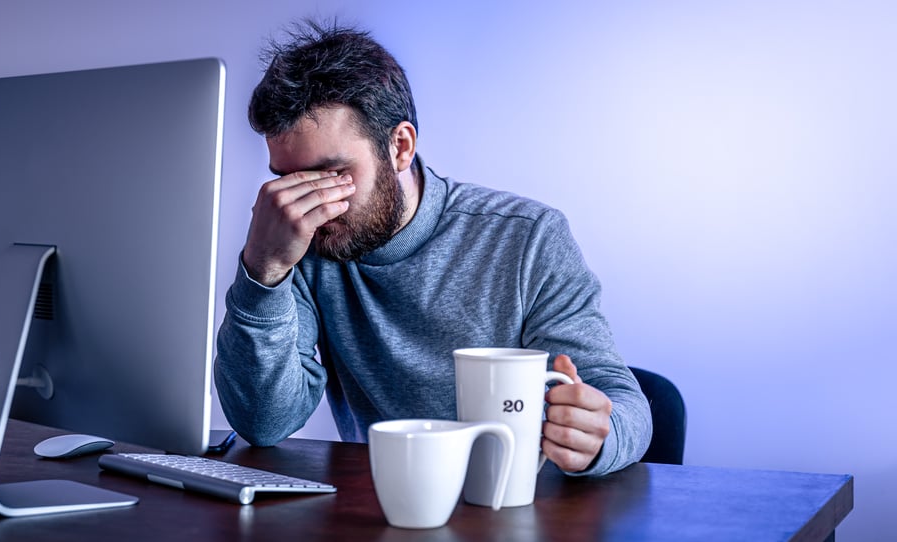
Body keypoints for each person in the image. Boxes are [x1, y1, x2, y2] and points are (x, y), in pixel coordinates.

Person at [215, 20, 652, 476]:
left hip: (516, 507)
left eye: (330, 175)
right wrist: (263, 271)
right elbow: (264, 423)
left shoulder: (528, 237)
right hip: (390, 506)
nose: (308, 204)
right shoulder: (299, 245)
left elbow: (620, 400)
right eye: (288, 179)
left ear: (400, 147)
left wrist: (600, 436)